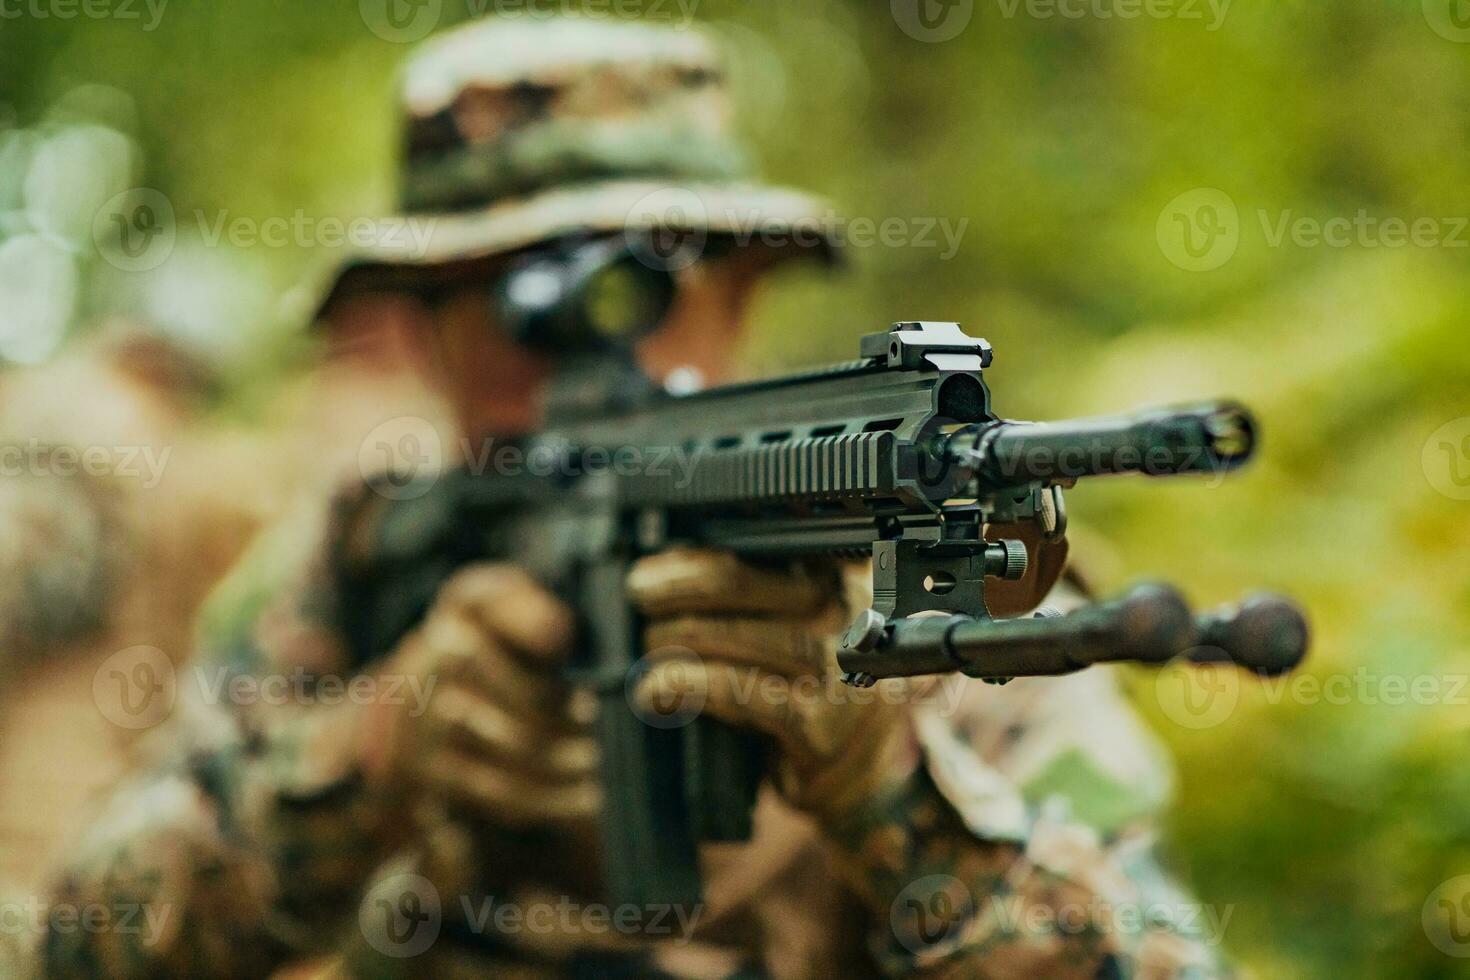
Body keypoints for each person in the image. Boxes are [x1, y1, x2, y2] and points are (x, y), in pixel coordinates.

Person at [40, 18, 1225, 979]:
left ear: (746, 286)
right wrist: (370, 758)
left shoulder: (921, 591)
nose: (571, 344)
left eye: (645, 275)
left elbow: (1156, 961)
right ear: (423, 325)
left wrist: (887, 795)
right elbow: (82, 940)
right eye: (498, 293)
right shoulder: (353, 564)